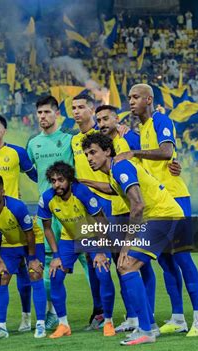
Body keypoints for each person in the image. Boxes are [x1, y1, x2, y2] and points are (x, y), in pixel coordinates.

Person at [116, 84, 198, 337]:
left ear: (149, 99)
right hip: (158, 201)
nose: (131, 101)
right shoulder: (142, 129)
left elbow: (167, 151)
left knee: (182, 258)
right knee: (165, 262)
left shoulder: (160, 120)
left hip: (176, 197)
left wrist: (134, 151)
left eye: (135, 97)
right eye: (129, 97)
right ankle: (178, 317)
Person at [81, 133, 184, 345]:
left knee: (127, 266)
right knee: (130, 268)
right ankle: (149, 326)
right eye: (86, 154)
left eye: (93, 152)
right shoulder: (113, 173)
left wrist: (126, 244)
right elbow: (112, 189)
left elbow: (138, 205)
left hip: (162, 215)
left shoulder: (120, 166)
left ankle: (146, 329)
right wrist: (85, 181)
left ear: (107, 151)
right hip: (159, 216)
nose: (89, 158)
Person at [0, 114, 39, 332]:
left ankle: (26, 317)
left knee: (24, 272)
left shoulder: (17, 153)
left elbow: (37, 176)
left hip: (15, 217)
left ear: (4, 130)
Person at [38, 161, 115, 339]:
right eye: (53, 180)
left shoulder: (82, 192)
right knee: (55, 275)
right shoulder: (47, 198)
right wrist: (56, 256)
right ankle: (63, 324)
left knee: (103, 273)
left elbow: (102, 221)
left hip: (94, 236)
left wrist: (102, 251)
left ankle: (108, 321)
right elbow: (47, 228)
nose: (57, 184)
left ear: (70, 180)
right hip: (69, 239)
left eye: (61, 180)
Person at [0, 175, 47, 339]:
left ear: (3, 192)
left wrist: (32, 259)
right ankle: (1, 328)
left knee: (35, 274)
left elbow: (29, 234)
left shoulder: (17, 207)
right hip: (9, 244)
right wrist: (0, 261)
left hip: (33, 242)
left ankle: (41, 325)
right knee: (1, 277)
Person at [26, 96, 74, 329]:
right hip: (47, 211)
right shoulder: (33, 143)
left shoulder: (69, 141)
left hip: (72, 209)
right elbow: (33, 172)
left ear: (57, 113)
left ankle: (101, 312)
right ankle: (52, 311)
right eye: (39, 113)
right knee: (48, 261)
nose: (43, 116)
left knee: (89, 258)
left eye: (47, 112)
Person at [71, 93, 113, 329]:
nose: (77, 111)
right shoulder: (72, 141)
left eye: (81, 107)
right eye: (73, 108)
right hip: (84, 207)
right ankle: (99, 312)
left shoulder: (105, 135)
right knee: (92, 259)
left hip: (108, 203)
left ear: (91, 110)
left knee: (111, 260)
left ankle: (123, 315)